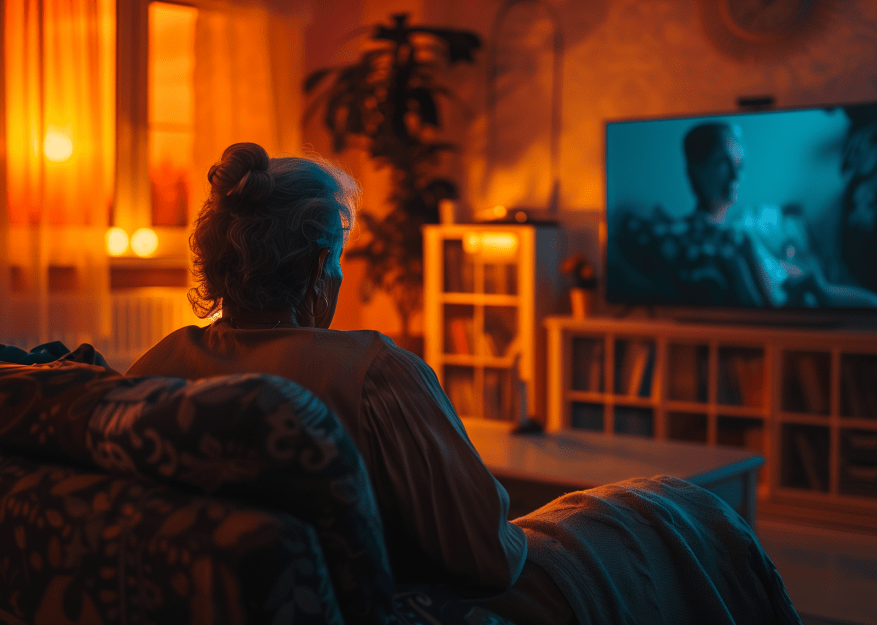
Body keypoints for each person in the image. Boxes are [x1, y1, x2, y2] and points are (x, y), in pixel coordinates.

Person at [127, 143, 575, 624]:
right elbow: (488, 553)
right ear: (321, 268)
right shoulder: (376, 373)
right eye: (339, 258)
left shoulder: (155, 368)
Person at [617, 122, 877, 308]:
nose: (735, 176)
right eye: (722, 163)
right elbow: (770, 303)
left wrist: (797, 271)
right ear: (695, 169)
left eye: (740, 166)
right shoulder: (724, 241)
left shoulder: (741, 233)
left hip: (811, 290)